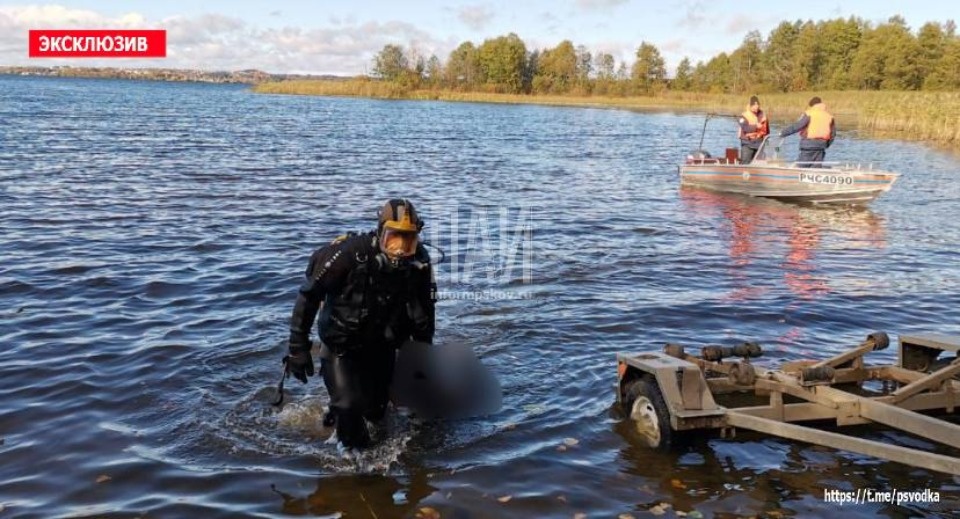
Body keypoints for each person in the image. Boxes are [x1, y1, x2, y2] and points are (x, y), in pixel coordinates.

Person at [285, 198, 436, 448]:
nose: (400, 250)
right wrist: (297, 347)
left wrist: (420, 362)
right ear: (380, 233)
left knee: (376, 415)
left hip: (382, 347)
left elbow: (425, 314)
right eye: (394, 239)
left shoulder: (420, 264)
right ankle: (357, 473)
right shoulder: (351, 255)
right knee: (348, 407)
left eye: (408, 240)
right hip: (341, 348)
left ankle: (347, 427)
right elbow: (309, 295)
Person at [778, 96, 836, 167]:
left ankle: (794, 177)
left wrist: (783, 133)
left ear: (812, 106)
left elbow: (798, 126)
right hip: (821, 146)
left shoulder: (809, 114)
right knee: (816, 168)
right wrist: (826, 145)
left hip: (808, 145)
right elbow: (833, 134)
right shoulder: (829, 116)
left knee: (801, 167)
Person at [737, 95, 769, 164]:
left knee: (760, 164)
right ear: (750, 106)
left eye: (758, 105)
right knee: (745, 163)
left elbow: (767, 130)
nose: (756, 107)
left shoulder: (763, 115)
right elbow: (745, 128)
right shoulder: (744, 116)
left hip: (759, 144)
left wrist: (767, 139)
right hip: (747, 144)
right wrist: (756, 126)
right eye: (754, 105)